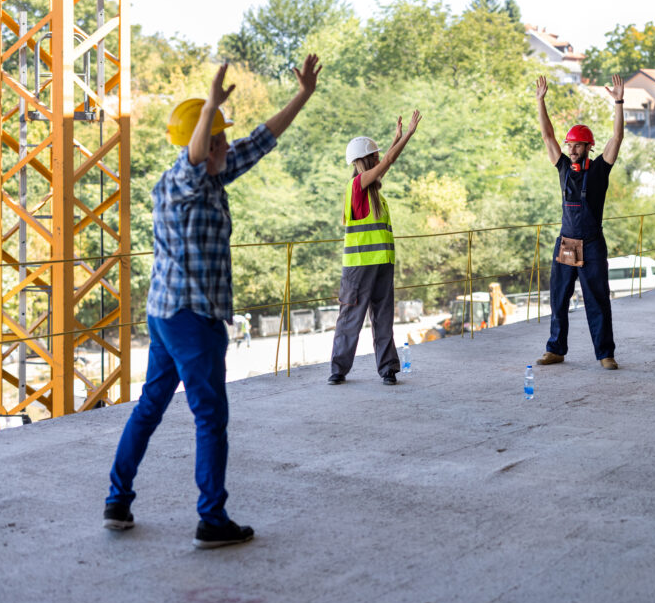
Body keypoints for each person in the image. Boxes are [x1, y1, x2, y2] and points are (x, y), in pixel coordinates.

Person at [103, 55, 321, 547]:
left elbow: (261, 141)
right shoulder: (185, 178)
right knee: (210, 417)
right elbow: (196, 154)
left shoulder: (212, 176)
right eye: (220, 138)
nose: (227, 145)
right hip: (191, 318)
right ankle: (211, 518)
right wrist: (209, 109)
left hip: (165, 314)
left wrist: (303, 95)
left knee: (151, 406)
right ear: (204, 143)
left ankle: (117, 501)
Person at [534, 74, 625, 370]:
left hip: (592, 244)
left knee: (597, 300)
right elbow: (548, 136)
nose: (571, 150)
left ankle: (605, 354)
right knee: (558, 299)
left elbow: (617, 139)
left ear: (589, 147)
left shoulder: (600, 170)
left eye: (577, 145)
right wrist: (540, 101)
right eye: (569, 145)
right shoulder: (562, 168)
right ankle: (556, 349)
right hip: (566, 242)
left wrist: (619, 103)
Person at [328, 110, 422, 386]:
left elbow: (388, 162)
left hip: (378, 264)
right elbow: (390, 161)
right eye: (376, 157)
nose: (381, 160)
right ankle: (341, 370)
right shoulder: (358, 185)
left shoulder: (371, 190)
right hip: (361, 266)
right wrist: (408, 135)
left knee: (378, 318)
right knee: (353, 318)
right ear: (365, 161)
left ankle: (386, 370)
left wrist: (396, 137)